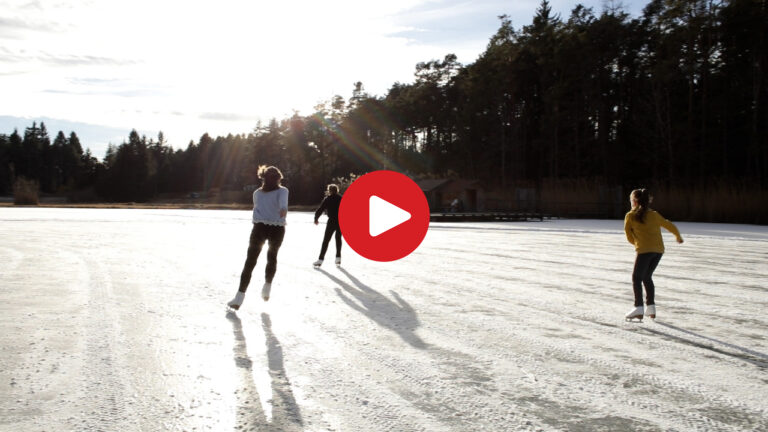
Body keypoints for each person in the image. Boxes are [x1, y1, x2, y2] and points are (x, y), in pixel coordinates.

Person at [228, 166, 288, 309]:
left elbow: (257, 208)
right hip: (277, 228)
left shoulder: (257, 193)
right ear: (278, 178)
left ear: (263, 178)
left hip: (259, 228)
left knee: (250, 262)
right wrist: (281, 214)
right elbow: (283, 207)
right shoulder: (283, 191)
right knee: (272, 257)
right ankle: (267, 287)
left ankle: (239, 298)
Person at [623, 188, 683, 321]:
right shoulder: (654, 214)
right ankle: (651, 307)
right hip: (658, 251)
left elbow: (629, 236)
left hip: (644, 251)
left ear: (634, 201)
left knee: (636, 278)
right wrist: (677, 236)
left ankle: (638, 307)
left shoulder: (630, 216)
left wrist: (639, 244)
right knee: (647, 277)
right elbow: (669, 225)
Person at [313, 184, 342, 268]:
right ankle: (338, 257)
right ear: (337, 190)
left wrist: (316, 218)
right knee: (338, 239)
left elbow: (321, 209)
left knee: (326, 240)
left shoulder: (328, 199)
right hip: (340, 221)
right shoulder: (341, 198)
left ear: (329, 190)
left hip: (331, 221)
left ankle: (320, 259)